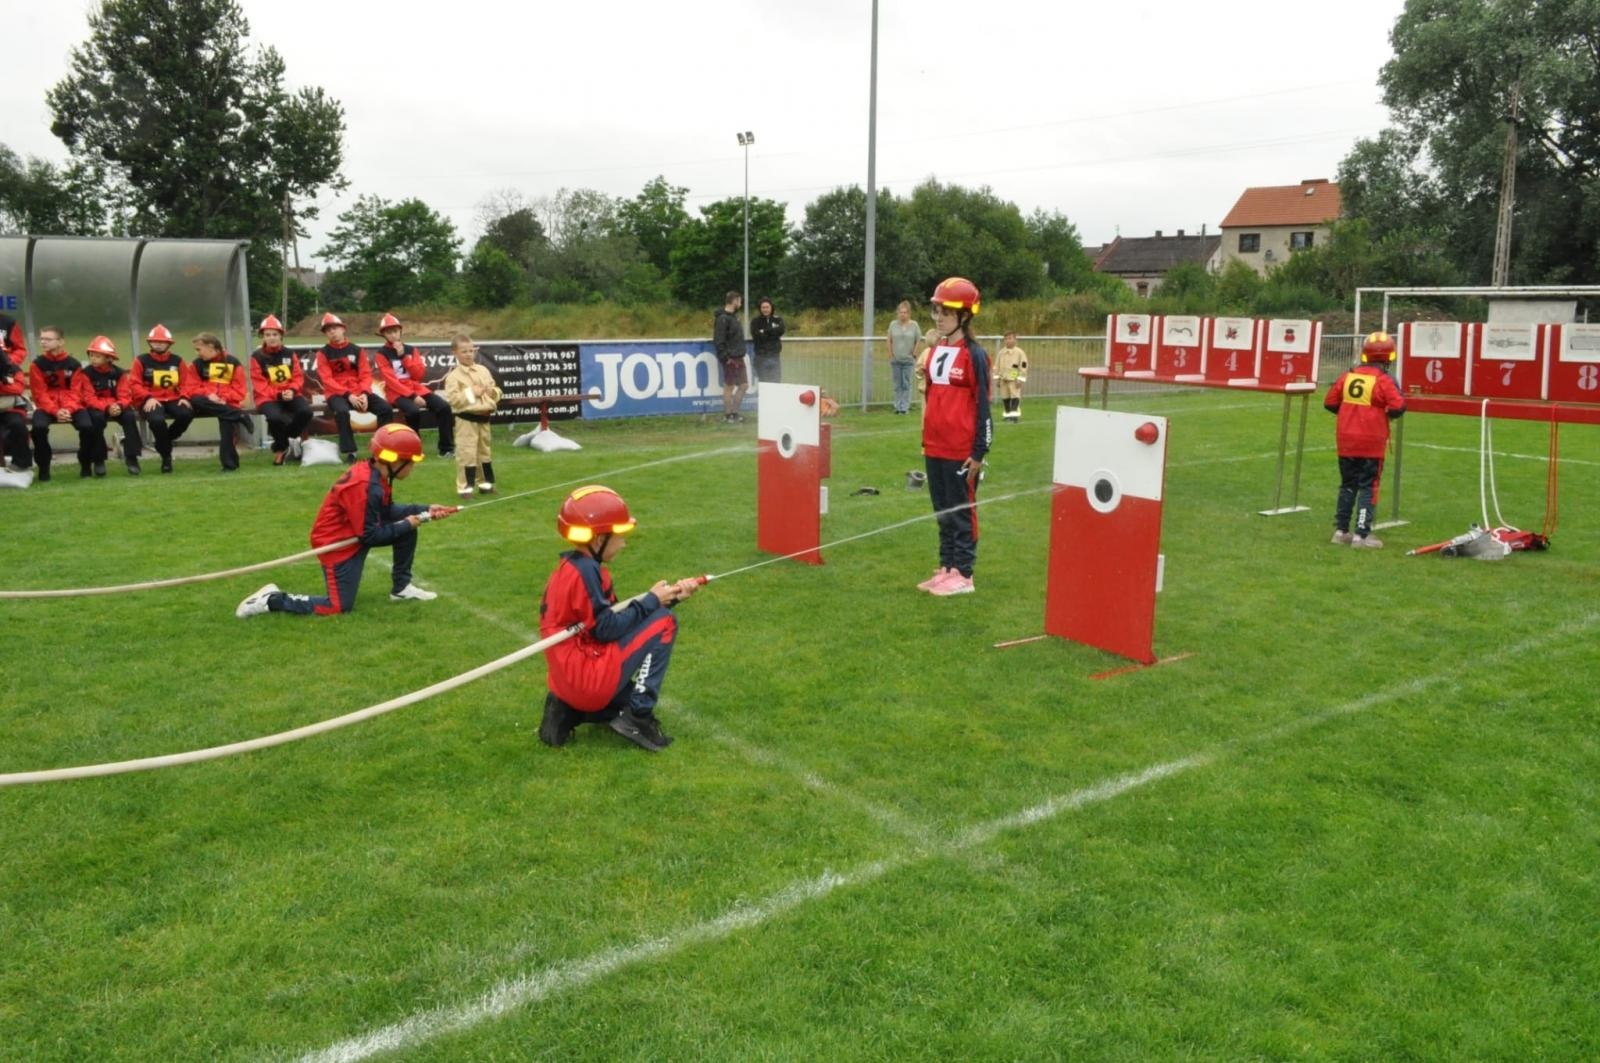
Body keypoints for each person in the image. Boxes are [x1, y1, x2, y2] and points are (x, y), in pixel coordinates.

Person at [537, 485, 701, 752]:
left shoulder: (571, 569)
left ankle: (566, 710)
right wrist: (652, 602)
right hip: (585, 678)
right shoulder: (587, 573)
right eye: (620, 535)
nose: (624, 543)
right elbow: (606, 629)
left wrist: (669, 597)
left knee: (655, 621)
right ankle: (638, 717)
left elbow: (616, 621)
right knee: (665, 623)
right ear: (599, 539)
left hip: (565, 681)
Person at [236, 424, 455, 618]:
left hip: (354, 534)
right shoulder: (366, 486)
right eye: (411, 462)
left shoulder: (377, 474)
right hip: (336, 544)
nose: (413, 468)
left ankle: (401, 588)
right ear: (394, 460)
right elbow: (370, 536)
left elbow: (386, 511)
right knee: (337, 607)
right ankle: (271, 600)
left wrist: (425, 510)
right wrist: (409, 522)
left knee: (406, 529)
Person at [918, 277, 992, 596]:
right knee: (943, 510)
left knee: (961, 511)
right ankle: (947, 566)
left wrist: (979, 451)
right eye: (937, 310)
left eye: (946, 312)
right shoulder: (936, 351)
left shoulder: (974, 355)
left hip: (961, 450)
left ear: (964, 315)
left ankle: (964, 573)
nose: (939, 317)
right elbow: (931, 397)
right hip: (934, 446)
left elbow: (983, 405)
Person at [1325, 330, 1406, 549]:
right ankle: (1362, 535)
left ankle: (1341, 531)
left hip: (1346, 441)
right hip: (1371, 442)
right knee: (1369, 486)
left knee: (1348, 485)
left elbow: (1330, 402)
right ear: (1389, 357)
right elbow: (1399, 406)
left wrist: (1350, 414)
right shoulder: (1384, 380)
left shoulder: (1348, 376)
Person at [313, 312, 393, 463]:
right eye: (328, 330)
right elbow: (327, 379)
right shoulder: (323, 354)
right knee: (342, 412)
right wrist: (348, 395)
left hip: (359, 391)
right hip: (336, 394)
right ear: (325, 334)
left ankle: (381, 448)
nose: (332, 332)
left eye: (335, 328)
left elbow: (365, 374)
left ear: (343, 329)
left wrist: (363, 393)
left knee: (385, 409)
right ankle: (351, 451)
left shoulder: (357, 350)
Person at [375, 312, 455, 458]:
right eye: (388, 332)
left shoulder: (412, 350)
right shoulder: (382, 354)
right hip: (396, 392)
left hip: (415, 387)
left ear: (400, 331)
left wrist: (403, 356)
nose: (392, 335)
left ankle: (447, 449)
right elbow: (390, 380)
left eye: (395, 331)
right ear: (384, 335)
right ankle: (414, 448)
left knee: (444, 407)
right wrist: (412, 397)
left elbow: (418, 375)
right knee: (413, 411)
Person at [27, 325, 96, 481]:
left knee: (87, 427)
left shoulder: (74, 364)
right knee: (38, 428)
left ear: (60, 342)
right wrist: (55, 411)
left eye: (48, 339)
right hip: (47, 406)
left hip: (72, 405)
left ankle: (85, 465)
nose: (43, 342)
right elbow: (39, 393)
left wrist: (68, 409)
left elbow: (76, 391)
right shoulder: (37, 364)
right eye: (42, 339)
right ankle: (44, 468)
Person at [129, 323, 195, 473]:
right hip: (150, 399)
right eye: (155, 341)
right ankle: (166, 458)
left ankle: (163, 441)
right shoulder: (140, 360)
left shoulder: (178, 361)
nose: (158, 344)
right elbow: (134, 383)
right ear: (150, 343)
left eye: (161, 341)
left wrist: (184, 397)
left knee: (187, 413)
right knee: (157, 420)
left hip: (173, 397)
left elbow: (186, 382)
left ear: (168, 344)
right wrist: (147, 397)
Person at [73, 335, 143, 476]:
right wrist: (107, 407)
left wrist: (119, 406)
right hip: (97, 408)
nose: (93, 359)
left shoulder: (119, 373)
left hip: (117, 406)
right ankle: (99, 460)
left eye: (97, 356)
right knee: (96, 420)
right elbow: (88, 398)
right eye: (91, 355)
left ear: (108, 358)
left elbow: (125, 395)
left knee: (129, 417)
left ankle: (132, 458)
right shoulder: (85, 374)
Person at [249, 314, 313, 466]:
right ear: (262, 337)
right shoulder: (256, 356)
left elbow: (298, 376)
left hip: (290, 393)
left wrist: (292, 389)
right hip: (267, 397)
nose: (271, 338)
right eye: (267, 335)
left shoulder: (290, 354)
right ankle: (281, 448)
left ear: (281, 336)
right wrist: (277, 394)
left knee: (306, 412)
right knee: (274, 418)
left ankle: (285, 439)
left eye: (275, 334)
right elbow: (259, 383)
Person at [442, 333, 501, 497]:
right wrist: (471, 393)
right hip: (466, 420)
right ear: (455, 353)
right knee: (466, 454)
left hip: (484, 418)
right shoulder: (453, 377)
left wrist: (493, 392)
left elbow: (496, 390)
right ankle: (465, 488)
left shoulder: (483, 371)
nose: (469, 354)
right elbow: (454, 400)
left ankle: (486, 485)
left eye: (471, 350)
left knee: (485, 453)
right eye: (464, 351)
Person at [185, 332, 252, 472]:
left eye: (199, 349)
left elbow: (240, 389)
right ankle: (238, 415)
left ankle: (229, 466)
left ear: (210, 346)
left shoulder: (233, 362)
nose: (198, 353)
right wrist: (209, 395)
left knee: (227, 425)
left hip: (227, 403)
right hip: (208, 402)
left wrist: (224, 398)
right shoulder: (196, 364)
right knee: (196, 400)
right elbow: (191, 387)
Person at [713, 290, 747, 423]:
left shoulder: (734, 317)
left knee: (744, 385)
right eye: (739, 301)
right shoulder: (722, 318)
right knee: (729, 386)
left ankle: (735, 412)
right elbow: (719, 340)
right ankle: (728, 415)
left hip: (739, 356)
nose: (740, 303)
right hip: (730, 358)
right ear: (734, 301)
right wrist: (726, 358)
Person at [0, 323, 29, 471]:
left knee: (17, 425)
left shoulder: (13, 369)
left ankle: (22, 463)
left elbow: (17, 388)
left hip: (10, 408)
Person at [886, 300, 922, 415]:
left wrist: (914, 353)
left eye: (905, 312)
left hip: (908, 360)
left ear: (909, 313)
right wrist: (890, 355)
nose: (903, 314)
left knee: (906, 384)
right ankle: (897, 406)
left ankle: (905, 407)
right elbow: (889, 340)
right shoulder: (893, 324)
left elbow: (918, 339)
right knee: (897, 384)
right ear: (898, 313)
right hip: (896, 359)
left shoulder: (914, 325)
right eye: (901, 312)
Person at [993, 332, 1029, 422]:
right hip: (1003, 378)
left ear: (1015, 340)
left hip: (1014, 379)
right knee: (1005, 397)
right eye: (1006, 339)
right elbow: (996, 365)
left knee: (1014, 396)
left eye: (1010, 338)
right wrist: (997, 378)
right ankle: (1007, 415)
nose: (1007, 341)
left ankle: (1014, 416)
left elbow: (1023, 365)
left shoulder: (1019, 353)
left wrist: (1020, 378)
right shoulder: (1001, 352)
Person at [749, 297, 785, 384]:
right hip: (761, 357)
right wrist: (772, 331)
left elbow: (780, 331)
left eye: (767, 307)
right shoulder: (755, 321)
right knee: (764, 383)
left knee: (776, 382)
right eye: (763, 307)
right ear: (760, 309)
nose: (765, 309)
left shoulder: (778, 319)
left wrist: (764, 331)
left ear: (771, 307)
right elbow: (757, 336)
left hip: (775, 356)